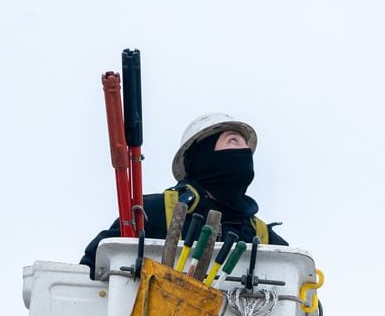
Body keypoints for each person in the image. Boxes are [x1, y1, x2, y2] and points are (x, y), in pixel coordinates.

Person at [81, 113, 287, 273]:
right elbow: (93, 268)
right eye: (233, 141)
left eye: (246, 149)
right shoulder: (152, 212)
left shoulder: (264, 238)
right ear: (202, 155)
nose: (244, 153)